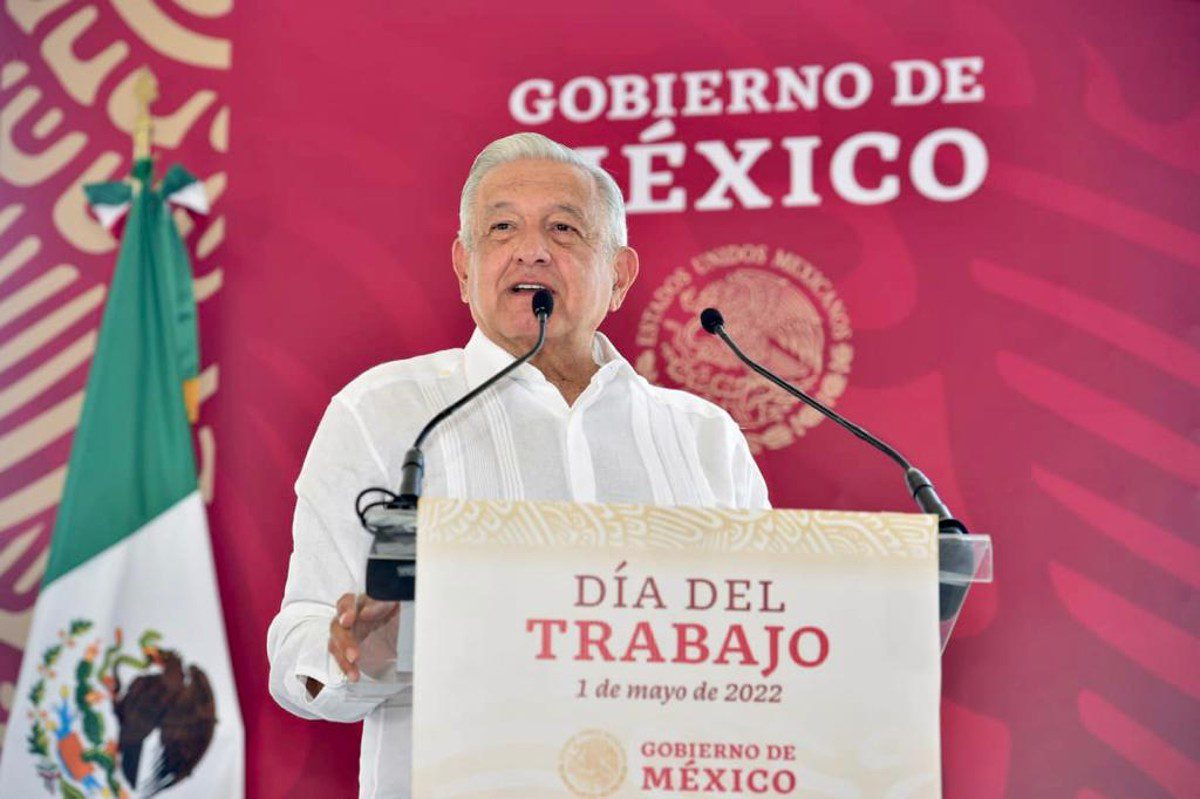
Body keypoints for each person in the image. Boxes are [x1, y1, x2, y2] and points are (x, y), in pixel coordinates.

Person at [266, 132, 770, 798]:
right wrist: (359, 650)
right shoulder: (385, 413)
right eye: (501, 228)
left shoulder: (704, 437)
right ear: (464, 266)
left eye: (564, 229)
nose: (531, 248)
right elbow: (298, 643)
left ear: (618, 275)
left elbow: (765, 637)